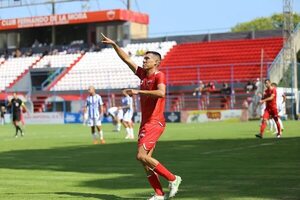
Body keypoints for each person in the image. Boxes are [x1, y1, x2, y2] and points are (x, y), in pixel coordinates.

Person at [102, 33, 182, 200]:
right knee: (145, 162)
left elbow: (161, 93)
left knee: (141, 156)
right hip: (145, 123)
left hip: (155, 122)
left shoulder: (159, 75)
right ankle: (159, 194)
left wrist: (139, 91)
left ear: (156, 62)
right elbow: (127, 60)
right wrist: (114, 44)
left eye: (147, 59)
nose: (144, 61)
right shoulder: (143, 75)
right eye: (144, 59)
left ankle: (173, 179)